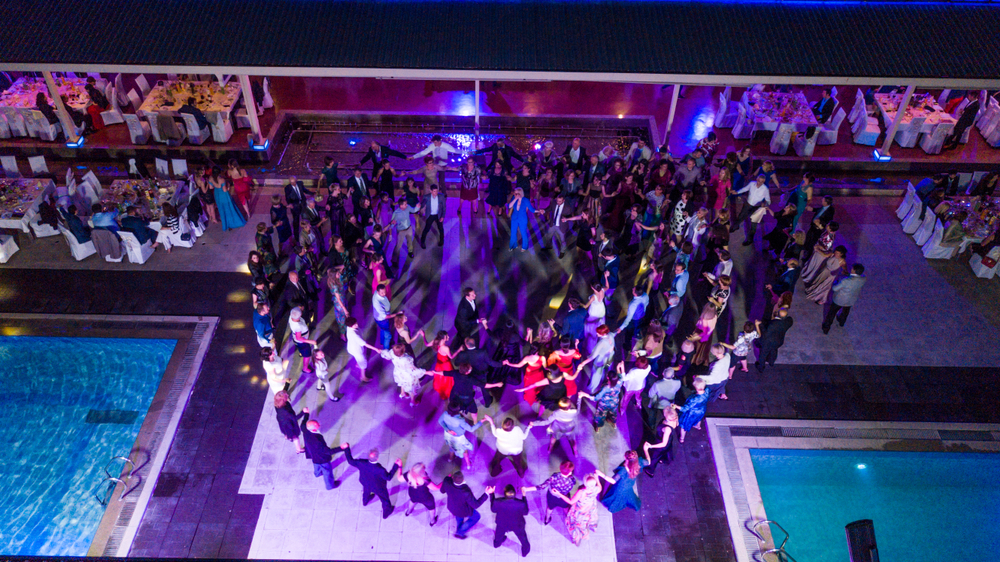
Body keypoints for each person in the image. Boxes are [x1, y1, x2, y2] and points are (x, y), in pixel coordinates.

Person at [341, 444, 401, 519]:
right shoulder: (380, 469)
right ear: (377, 458)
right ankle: (386, 512)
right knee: (384, 498)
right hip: (378, 487)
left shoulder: (361, 462)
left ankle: (365, 502)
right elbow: (388, 477)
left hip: (365, 483)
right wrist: (396, 465)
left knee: (366, 491)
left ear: (368, 456)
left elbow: (350, 461)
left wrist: (346, 448)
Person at [300, 409, 343, 490]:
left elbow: (303, 422)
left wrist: (306, 414)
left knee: (316, 464)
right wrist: (341, 448)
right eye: (317, 425)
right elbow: (328, 451)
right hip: (322, 458)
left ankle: (317, 473)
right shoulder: (317, 441)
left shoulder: (304, 429)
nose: (319, 424)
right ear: (314, 429)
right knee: (327, 472)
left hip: (313, 455)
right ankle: (330, 486)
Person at [558, 473, 603, 546]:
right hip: (590, 506)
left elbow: (571, 502)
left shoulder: (581, 492)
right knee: (587, 519)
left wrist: (560, 494)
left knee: (575, 523)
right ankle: (592, 527)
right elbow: (600, 487)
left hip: (580, 510)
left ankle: (577, 537)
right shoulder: (596, 489)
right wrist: (597, 478)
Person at [440, 471, 487, 539]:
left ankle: (459, 530)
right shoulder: (465, 490)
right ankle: (460, 532)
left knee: (459, 517)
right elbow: (476, 505)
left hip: (452, 507)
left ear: (452, 477)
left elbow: (442, 491)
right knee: (476, 517)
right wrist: (486, 494)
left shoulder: (447, 480)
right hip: (464, 510)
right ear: (463, 480)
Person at [489, 484, 531, 557]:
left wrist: (492, 494)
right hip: (517, 524)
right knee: (522, 538)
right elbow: (525, 512)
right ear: (515, 494)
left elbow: (493, 509)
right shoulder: (520, 503)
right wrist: (524, 496)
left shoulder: (498, 501)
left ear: (505, 494)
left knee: (498, 537)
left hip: (502, 523)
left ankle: (497, 544)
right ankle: (525, 551)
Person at [823, 263, 866, 333]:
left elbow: (835, 288)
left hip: (840, 300)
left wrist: (835, 282)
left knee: (831, 313)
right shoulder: (863, 278)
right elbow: (855, 279)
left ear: (854, 270)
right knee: (845, 311)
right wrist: (848, 274)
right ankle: (841, 322)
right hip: (851, 299)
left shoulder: (846, 281)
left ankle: (826, 328)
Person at [439, 403, 483, 469]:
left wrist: (447, 430)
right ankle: (468, 464)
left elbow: (440, 421)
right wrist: (481, 422)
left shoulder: (445, 414)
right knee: (464, 451)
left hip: (449, 436)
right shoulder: (460, 420)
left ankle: (450, 459)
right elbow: (471, 429)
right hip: (458, 439)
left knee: (452, 447)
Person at [732, 174, 772, 245]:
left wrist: (765, 204)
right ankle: (735, 227)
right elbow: (745, 189)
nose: (760, 183)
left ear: (764, 181)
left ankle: (749, 240)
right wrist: (737, 192)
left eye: (762, 182)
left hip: (757, 208)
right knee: (741, 216)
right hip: (748, 204)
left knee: (753, 224)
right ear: (757, 179)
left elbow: (768, 200)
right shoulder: (751, 184)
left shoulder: (765, 189)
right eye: (759, 181)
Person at [643, 408, 679, 476]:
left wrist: (651, 446)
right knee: (662, 453)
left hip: (660, 445)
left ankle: (650, 470)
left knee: (654, 457)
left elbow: (663, 444)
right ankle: (662, 460)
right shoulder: (675, 419)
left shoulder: (667, 429)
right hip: (666, 441)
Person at [209, 166, 246, 231]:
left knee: (222, 209)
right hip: (224, 195)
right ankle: (233, 223)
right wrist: (228, 187)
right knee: (229, 208)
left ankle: (226, 224)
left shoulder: (211, 178)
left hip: (217, 194)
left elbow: (211, 188)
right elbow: (225, 190)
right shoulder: (221, 179)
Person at [672, 377, 708, 443]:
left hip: (692, 413)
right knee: (699, 418)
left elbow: (685, 409)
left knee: (684, 425)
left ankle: (682, 438)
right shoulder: (707, 391)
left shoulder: (694, 399)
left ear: (696, 388)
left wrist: (676, 406)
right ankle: (698, 426)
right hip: (701, 410)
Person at [389, 197, 420, 263]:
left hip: (409, 228)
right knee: (398, 246)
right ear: (401, 205)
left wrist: (417, 207)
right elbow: (392, 223)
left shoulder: (408, 207)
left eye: (406, 204)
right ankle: (394, 260)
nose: (407, 205)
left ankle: (410, 252)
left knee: (410, 241)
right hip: (401, 231)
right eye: (405, 204)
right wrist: (392, 224)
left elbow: (413, 210)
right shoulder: (396, 213)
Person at [506, 187, 537, 251]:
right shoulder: (514, 198)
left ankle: (524, 247)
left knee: (523, 233)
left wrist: (539, 211)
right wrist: (515, 199)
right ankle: (513, 246)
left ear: (520, 193)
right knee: (513, 232)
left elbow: (532, 209)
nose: (515, 194)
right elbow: (509, 206)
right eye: (515, 193)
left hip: (522, 219)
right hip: (514, 218)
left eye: (516, 193)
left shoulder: (525, 200)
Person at [288, 307, 317, 374]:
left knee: (301, 349)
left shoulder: (291, 317)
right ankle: (305, 368)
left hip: (297, 340)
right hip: (302, 342)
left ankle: (301, 352)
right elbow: (299, 338)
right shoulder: (297, 326)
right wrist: (310, 341)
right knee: (307, 355)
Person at [420, 183, 447, 248]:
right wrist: (420, 205)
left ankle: (441, 240)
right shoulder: (427, 197)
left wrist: (442, 216)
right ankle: (422, 241)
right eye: (434, 191)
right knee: (426, 229)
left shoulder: (441, 197)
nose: (436, 192)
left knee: (440, 229)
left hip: (438, 215)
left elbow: (444, 207)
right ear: (431, 191)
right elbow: (422, 205)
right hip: (430, 215)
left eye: (437, 191)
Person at [372, 283, 397, 349]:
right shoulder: (377, 303)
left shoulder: (376, 293)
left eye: (385, 292)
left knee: (382, 329)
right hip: (382, 320)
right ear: (378, 292)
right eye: (382, 293)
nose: (384, 294)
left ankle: (382, 342)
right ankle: (386, 350)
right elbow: (385, 316)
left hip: (378, 318)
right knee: (388, 336)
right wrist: (396, 315)